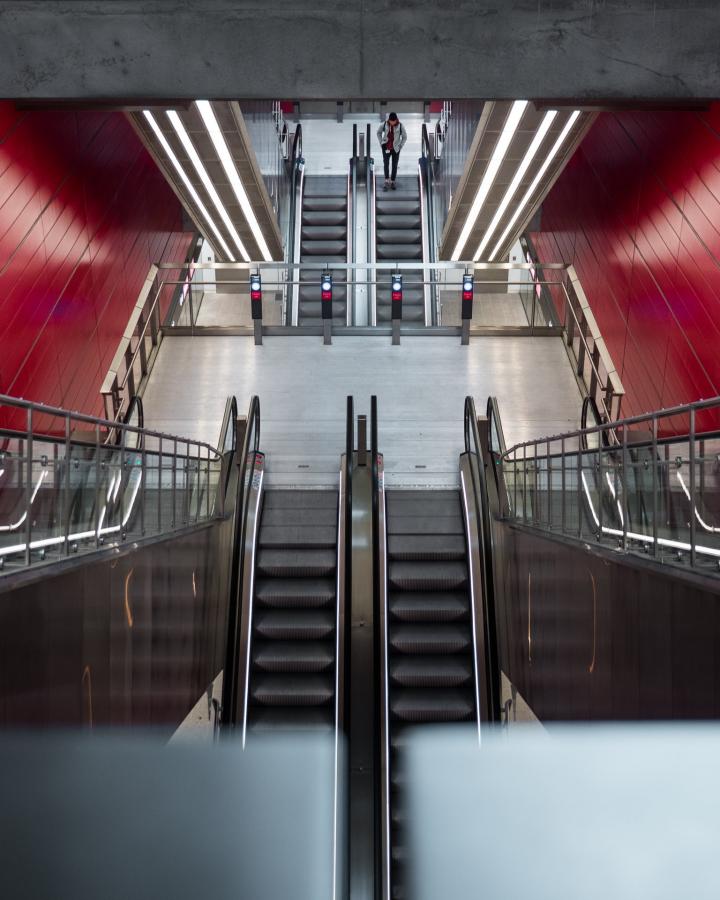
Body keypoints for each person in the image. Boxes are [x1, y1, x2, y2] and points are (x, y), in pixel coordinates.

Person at [377, 112, 407, 191]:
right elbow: (378, 132)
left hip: (395, 149)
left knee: (394, 165)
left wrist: (400, 146)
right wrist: (381, 142)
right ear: (389, 120)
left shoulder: (400, 126)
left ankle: (393, 181)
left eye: (393, 121)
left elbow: (405, 137)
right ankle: (387, 180)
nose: (392, 123)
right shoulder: (385, 124)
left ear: (396, 120)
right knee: (386, 164)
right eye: (391, 121)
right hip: (386, 147)